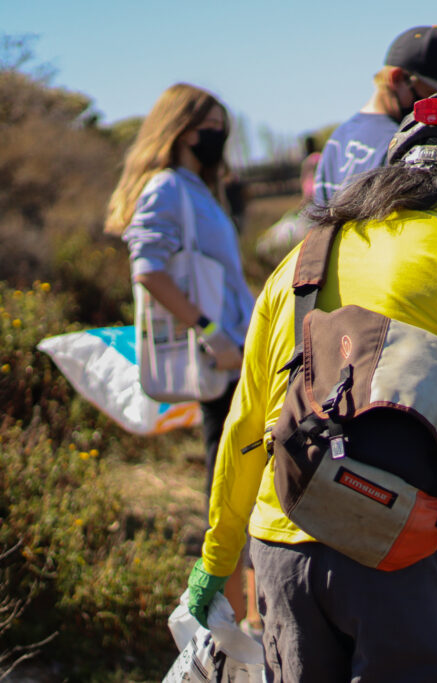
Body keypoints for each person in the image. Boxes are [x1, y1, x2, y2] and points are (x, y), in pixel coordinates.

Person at [185, 94, 437, 682]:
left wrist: (215, 559)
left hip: (283, 548)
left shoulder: (298, 262)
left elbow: (243, 427)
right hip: (399, 552)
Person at [104, 83, 256, 626]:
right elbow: (147, 268)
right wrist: (210, 331)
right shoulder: (167, 187)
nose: (218, 138)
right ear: (183, 129)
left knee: (246, 490)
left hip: (240, 353)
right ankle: (231, 629)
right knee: (233, 497)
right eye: (209, 127)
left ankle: (248, 623)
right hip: (224, 358)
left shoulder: (197, 188)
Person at [312, 25, 437, 206]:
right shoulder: (403, 146)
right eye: (431, 97)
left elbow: (319, 220)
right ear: (397, 78)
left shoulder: (338, 139)